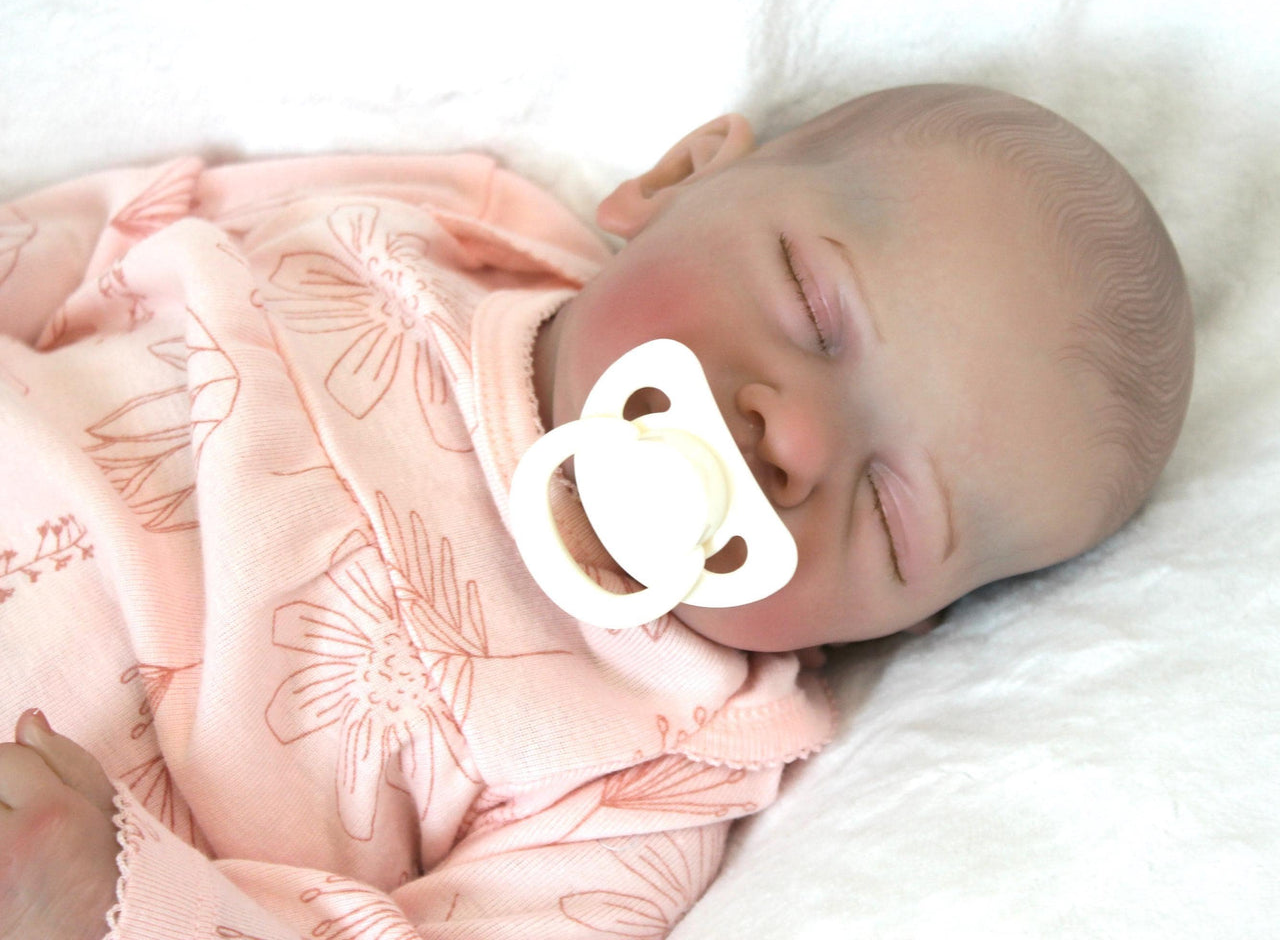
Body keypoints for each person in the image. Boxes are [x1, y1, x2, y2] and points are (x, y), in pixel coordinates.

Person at [0, 83, 1192, 939]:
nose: (804, 440)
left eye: (889, 516)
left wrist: (112, 904)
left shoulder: (652, 769)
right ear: (677, 178)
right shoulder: (425, 232)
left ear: (897, 626)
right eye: (810, 305)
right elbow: (111, 239)